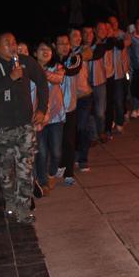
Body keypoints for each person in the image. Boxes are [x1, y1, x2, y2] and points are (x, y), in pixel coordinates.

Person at [0, 32, 49, 224]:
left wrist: (42, 108)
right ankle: (10, 202)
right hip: (2, 129)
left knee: (25, 169)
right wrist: (11, 77)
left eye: (14, 42)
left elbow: (42, 80)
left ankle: (24, 209)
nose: (12, 45)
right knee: (6, 171)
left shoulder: (24, 61)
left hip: (25, 126)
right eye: (7, 43)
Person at [33, 42, 65, 196]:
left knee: (57, 152)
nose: (45, 52)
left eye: (48, 49)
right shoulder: (28, 70)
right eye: (41, 49)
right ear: (34, 52)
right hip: (38, 117)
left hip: (55, 115)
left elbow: (58, 79)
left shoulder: (57, 67)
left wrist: (42, 72)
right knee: (42, 152)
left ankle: (52, 173)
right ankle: (43, 182)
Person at [55, 32, 81, 186]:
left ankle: (69, 173)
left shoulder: (75, 58)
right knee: (57, 142)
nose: (64, 47)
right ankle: (60, 165)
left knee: (69, 141)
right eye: (60, 44)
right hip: (54, 110)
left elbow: (73, 70)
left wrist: (58, 68)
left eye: (66, 43)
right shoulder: (50, 60)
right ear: (54, 46)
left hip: (69, 107)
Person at [71, 29, 94, 172]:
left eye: (79, 35)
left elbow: (88, 54)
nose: (78, 38)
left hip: (84, 95)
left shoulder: (84, 49)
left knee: (82, 128)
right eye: (74, 35)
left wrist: (73, 56)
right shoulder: (63, 52)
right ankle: (72, 157)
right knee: (71, 129)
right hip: (68, 98)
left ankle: (83, 159)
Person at [106, 16, 130, 133]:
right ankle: (112, 121)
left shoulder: (123, 34)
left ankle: (120, 120)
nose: (112, 24)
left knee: (120, 99)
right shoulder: (105, 36)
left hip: (121, 73)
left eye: (114, 22)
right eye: (110, 23)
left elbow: (125, 43)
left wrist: (115, 40)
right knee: (110, 100)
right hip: (108, 75)